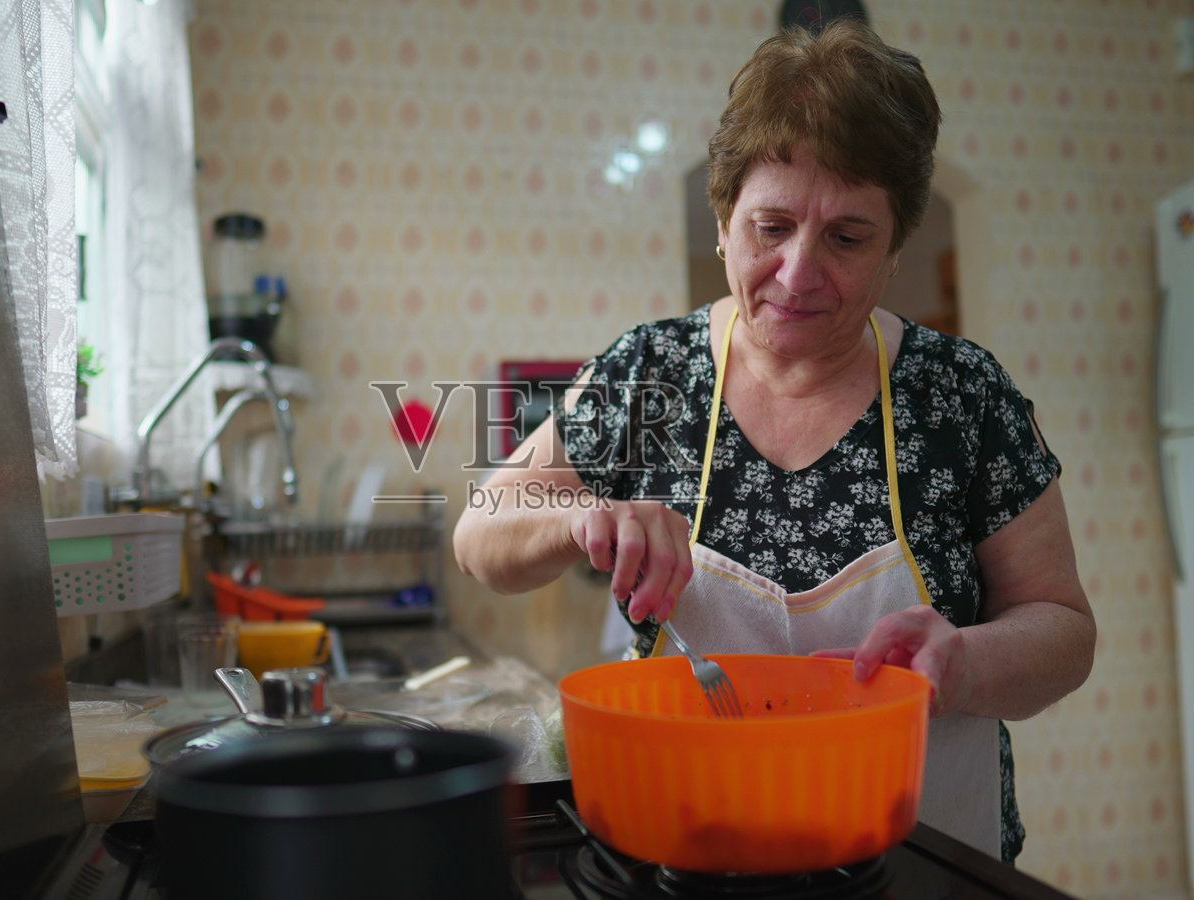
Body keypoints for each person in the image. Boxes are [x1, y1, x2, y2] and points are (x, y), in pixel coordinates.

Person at [452, 20, 1094, 863]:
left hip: (921, 854)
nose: (797, 273)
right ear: (722, 221)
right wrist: (583, 515)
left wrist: (963, 663)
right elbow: (481, 533)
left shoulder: (962, 395)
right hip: (691, 850)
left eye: (848, 237)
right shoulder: (653, 373)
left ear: (895, 246)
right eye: (771, 226)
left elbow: (1063, 628)